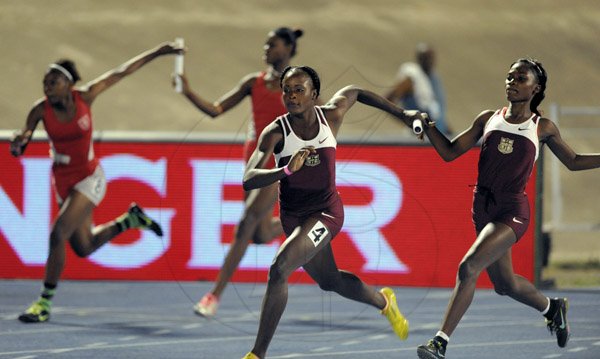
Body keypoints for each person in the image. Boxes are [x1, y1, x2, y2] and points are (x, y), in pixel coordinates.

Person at [416, 58, 600, 358]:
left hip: (511, 210)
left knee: (468, 267)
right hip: (482, 207)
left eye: (521, 78)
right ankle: (552, 308)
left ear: (536, 87)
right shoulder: (488, 118)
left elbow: (574, 161)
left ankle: (440, 341)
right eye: (510, 77)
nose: (511, 82)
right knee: (505, 285)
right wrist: (429, 126)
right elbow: (450, 153)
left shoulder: (542, 127)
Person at [240, 66, 423, 359]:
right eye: (287, 90)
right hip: (293, 217)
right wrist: (285, 169)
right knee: (330, 281)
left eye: (299, 89)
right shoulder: (276, 131)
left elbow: (357, 91)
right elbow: (248, 177)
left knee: (279, 269)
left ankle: (256, 354)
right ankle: (384, 302)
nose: (292, 96)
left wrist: (404, 114)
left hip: (326, 212)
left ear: (314, 94)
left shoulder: (332, 116)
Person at [10, 42, 183, 323]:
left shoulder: (86, 97)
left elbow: (123, 71)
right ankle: (130, 221)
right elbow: (23, 140)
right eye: (45, 82)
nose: (47, 86)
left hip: (89, 178)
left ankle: (43, 303)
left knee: (58, 234)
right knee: (84, 247)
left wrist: (159, 52)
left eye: (53, 81)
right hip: (62, 181)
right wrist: (18, 146)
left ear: (68, 84)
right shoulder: (39, 110)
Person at [175, 27, 304, 317]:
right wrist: (187, 91)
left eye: (272, 44)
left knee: (246, 223)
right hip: (253, 160)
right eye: (266, 43)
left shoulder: (298, 86)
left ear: (288, 49)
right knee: (258, 234)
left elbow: (317, 117)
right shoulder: (252, 82)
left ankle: (213, 296)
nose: (266, 48)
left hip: (279, 162)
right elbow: (215, 109)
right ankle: (303, 224)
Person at [385, 43, 450, 135]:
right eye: (425, 58)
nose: (428, 61)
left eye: (430, 57)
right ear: (419, 59)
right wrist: (408, 120)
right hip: (419, 136)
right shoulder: (411, 79)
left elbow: (436, 112)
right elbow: (387, 100)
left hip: (438, 136)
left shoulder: (434, 78)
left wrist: (448, 130)